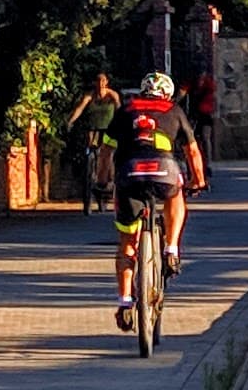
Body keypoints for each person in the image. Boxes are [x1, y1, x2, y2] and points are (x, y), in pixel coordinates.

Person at [104, 71, 206, 333]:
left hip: (129, 175)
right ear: (167, 94)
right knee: (176, 193)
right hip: (164, 172)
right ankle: (171, 248)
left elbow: (106, 149)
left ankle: (125, 302)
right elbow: (192, 150)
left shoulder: (126, 110)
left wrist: (103, 180)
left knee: (127, 243)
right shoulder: (174, 111)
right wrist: (199, 180)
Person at [66, 71, 123, 206]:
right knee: (89, 150)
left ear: (107, 82)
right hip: (92, 128)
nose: (100, 84)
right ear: (94, 83)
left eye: (103, 81)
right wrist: (71, 121)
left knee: (108, 154)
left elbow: (120, 109)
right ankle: (88, 173)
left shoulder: (112, 95)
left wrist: (122, 123)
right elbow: (80, 109)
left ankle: (108, 180)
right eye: (98, 81)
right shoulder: (90, 96)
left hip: (109, 130)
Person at [193, 70, 217, 173]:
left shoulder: (209, 85)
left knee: (205, 137)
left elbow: (214, 97)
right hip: (194, 114)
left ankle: (208, 162)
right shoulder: (193, 84)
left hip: (205, 114)